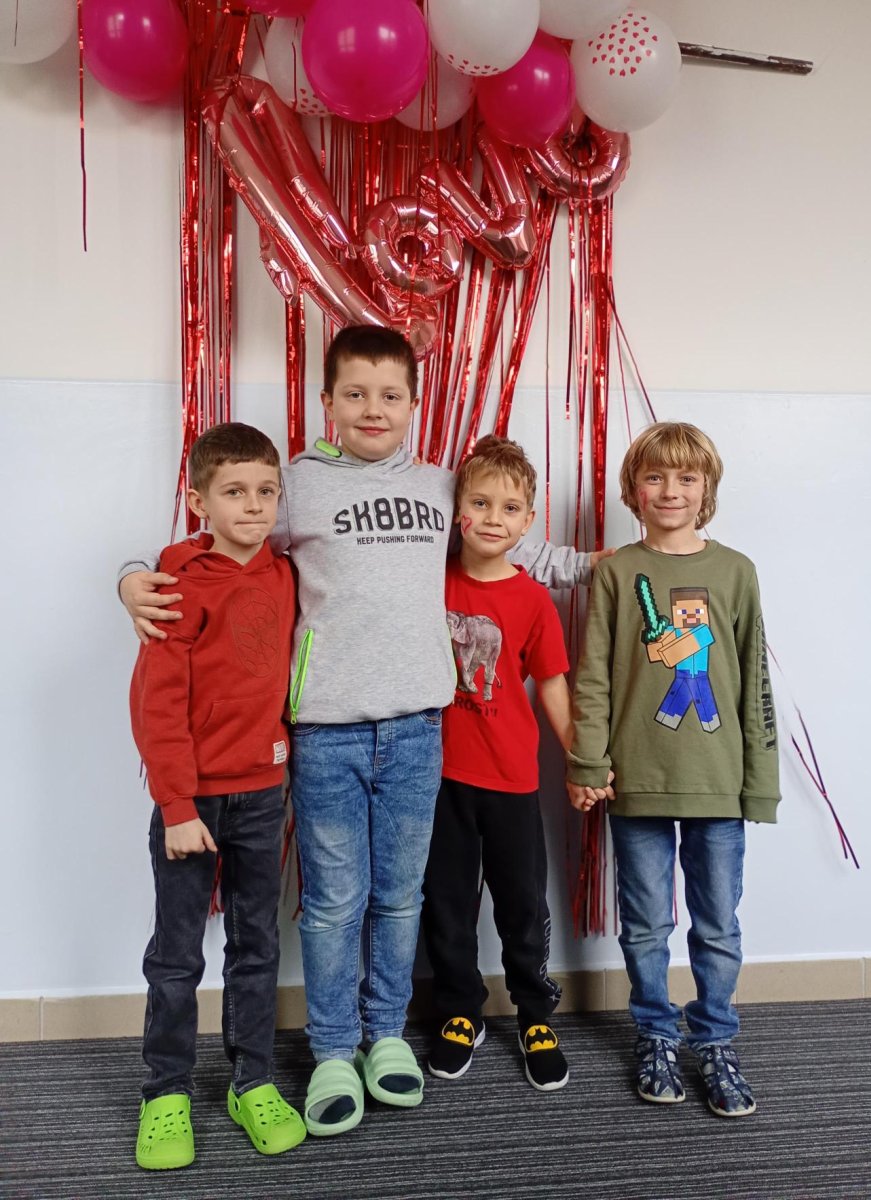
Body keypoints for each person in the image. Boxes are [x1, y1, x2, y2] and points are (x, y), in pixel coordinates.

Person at [119, 325, 597, 1138]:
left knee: (399, 896)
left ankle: (385, 1036)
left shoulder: (441, 486)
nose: (373, 409)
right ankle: (335, 1049)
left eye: (390, 395)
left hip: (417, 731)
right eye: (355, 394)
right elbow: (215, 542)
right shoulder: (295, 487)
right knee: (335, 901)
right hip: (326, 736)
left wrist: (613, 566)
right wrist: (131, 576)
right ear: (327, 402)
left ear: (413, 404)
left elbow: (521, 547)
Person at [566, 421, 780, 1118]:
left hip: (718, 782)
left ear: (706, 488)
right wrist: (588, 761)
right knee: (644, 924)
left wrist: (760, 782)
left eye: (687, 477)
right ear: (633, 488)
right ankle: (655, 1034)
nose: (670, 490)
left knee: (716, 924)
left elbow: (754, 681)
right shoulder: (616, 572)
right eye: (655, 476)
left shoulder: (736, 572)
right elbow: (593, 676)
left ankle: (714, 1039)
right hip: (636, 780)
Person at [129, 423, 305, 1170]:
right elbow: (156, 704)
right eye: (235, 492)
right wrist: (175, 806)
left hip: (263, 794)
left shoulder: (286, 573)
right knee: (176, 955)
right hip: (191, 804)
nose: (254, 506)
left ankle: (251, 1081)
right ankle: (165, 1092)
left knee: (256, 946)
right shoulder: (175, 586)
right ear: (199, 500)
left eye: (266, 491)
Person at [423, 436, 579, 1092]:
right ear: (456, 508)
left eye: (509, 508)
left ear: (527, 521)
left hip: (511, 778)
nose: (493, 517)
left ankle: (535, 1013)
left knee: (521, 903)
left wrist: (580, 758)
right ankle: (460, 1008)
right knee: (446, 901)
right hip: (437, 777)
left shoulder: (533, 600)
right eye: (480, 502)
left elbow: (551, 685)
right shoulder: (428, 579)